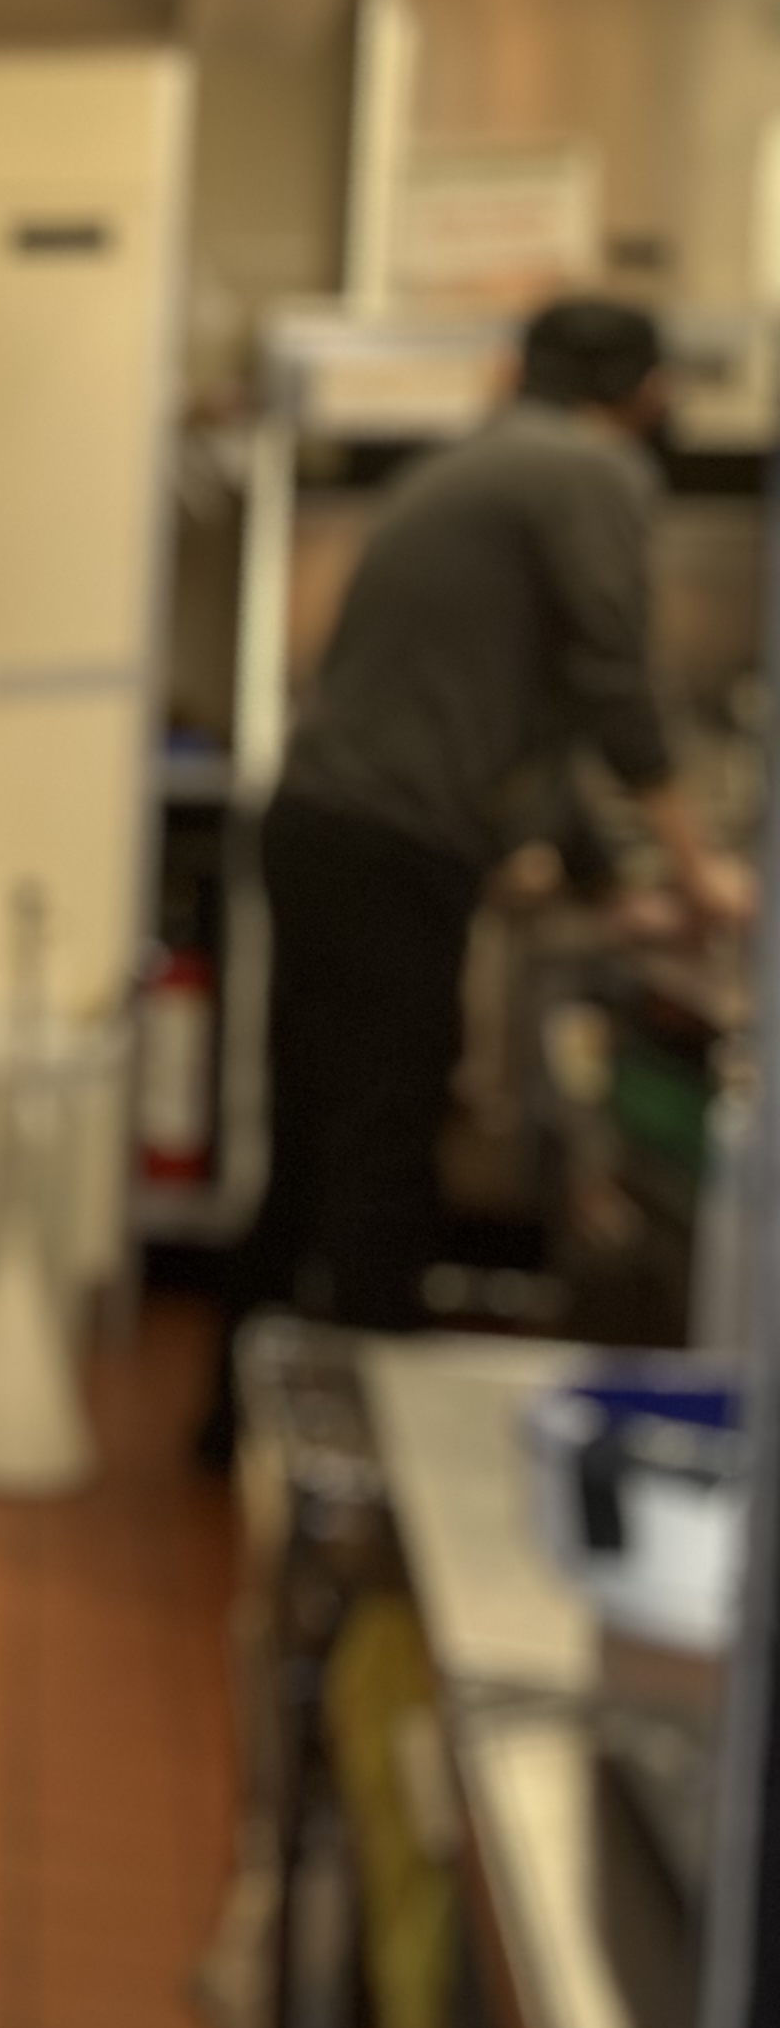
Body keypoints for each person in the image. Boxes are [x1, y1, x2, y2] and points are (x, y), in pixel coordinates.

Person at [220, 298, 746, 1376]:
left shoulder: (472, 466)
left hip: (321, 827)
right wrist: (700, 872)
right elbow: (611, 679)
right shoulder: (591, 472)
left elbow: (536, 716)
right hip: (387, 846)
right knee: (384, 1150)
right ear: (646, 392)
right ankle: (371, 1424)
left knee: (311, 1139)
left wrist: (613, 885)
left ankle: (237, 1416)